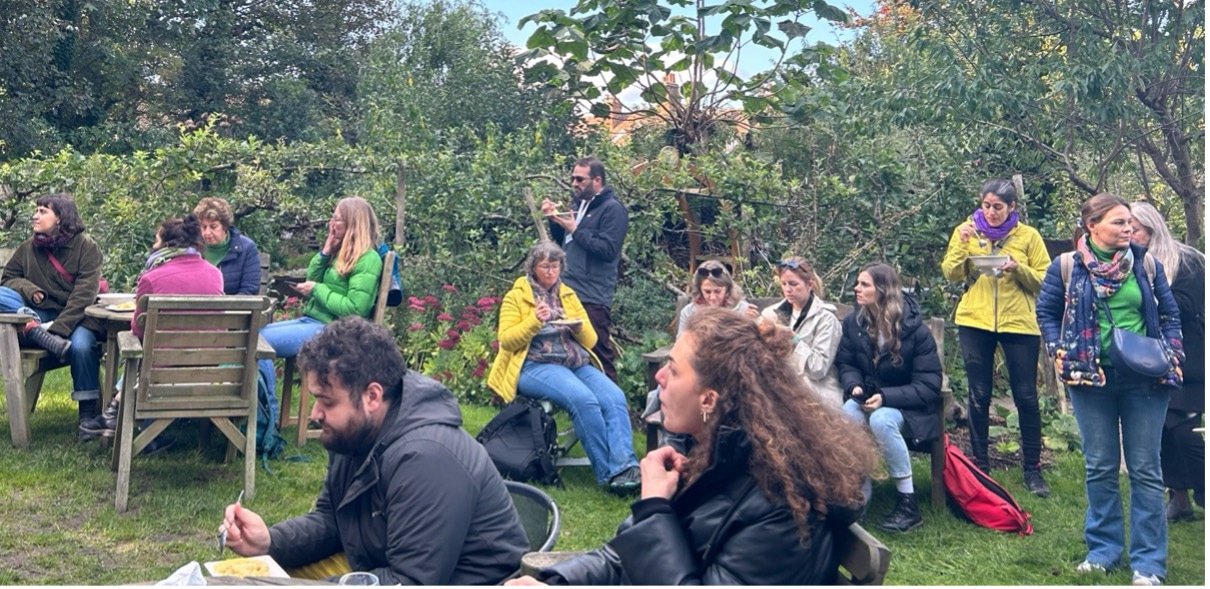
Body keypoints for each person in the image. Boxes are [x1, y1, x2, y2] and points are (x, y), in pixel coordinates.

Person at [505, 307, 875, 586]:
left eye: (674, 370)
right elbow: (626, 555)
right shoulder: (714, 456)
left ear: (709, 400)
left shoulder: (781, 504)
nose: (660, 378)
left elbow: (653, 546)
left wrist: (653, 508)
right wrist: (555, 582)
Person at [220, 317, 528, 585]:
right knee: (247, 576)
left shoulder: (427, 459)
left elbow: (410, 582)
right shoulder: (355, 433)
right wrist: (271, 540)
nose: (315, 413)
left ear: (372, 396)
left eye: (327, 401)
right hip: (377, 565)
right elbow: (332, 521)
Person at [1036, 193, 1183, 586]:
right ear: (1092, 226)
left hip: (1145, 381)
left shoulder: (1145, 264)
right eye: (1119, 222)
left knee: (1146, 470)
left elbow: (1169, 314)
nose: (1129, 228)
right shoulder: (1066, 266)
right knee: (1100, 467)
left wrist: (1173, 355)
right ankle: (1103, 551)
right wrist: (1058, 350)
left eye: (1130, 222)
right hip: (1089, 379)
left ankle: (1148, 564)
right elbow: (1046, 312)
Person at [487, 241, 641, 494]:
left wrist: (579, 328)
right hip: (535, 364)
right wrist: (535, 321)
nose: (550, 272)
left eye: (555, 266)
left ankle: (627, 467)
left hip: (574, 362)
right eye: (545, 266)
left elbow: (591, 341)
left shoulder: (567, 294)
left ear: (561, 267)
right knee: (584, 400)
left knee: (614, 397)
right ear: (533, 267)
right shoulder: (517, 296)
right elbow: (507, 339)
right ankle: (609, 474)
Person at [940, 179, 1051, 497]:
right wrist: (962, 244)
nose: (990, 212)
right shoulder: (967, 230)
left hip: (1019, 323)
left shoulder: (1028, 236)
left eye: (998, 207)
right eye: (986, 205)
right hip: (974, 320)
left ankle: (1032, 469)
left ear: (1012, 207)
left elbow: (1045, 280)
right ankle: (980, 465)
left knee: (1026, 397)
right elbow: (951, 273)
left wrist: (1018, 269)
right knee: (978, 395)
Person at [78, 215, 225, 444]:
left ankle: (114, 413)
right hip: (208, 371)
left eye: (156, 241)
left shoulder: (152, 278)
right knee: (158, 352)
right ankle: (126, 422)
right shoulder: (215, 274)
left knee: (136, 348)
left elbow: (137, 329)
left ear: (167, 245)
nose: (153, 246)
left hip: (157, 375)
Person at [835, 263, 942, 533]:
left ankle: (909, 504)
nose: (857, 289)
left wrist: (886, 397)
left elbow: (930, 384)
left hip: (912, 408)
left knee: (882, 420)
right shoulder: (854, 322)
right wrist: (854, 386)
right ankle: (855, 496)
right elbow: (846, 363)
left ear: (883, 290)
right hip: (870, 397)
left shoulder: (915, 330)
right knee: (848, 412)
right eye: (858, 283)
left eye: (864, 285)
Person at [257, 197, 383, 418]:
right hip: (314, 322)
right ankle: (255, 415)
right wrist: (325, 253)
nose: (330, 224)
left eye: (336, 219)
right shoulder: (341, 252)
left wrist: (317, 289)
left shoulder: (368, 259)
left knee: (259, 344)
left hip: (336, 332)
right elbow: (312, 279)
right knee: (252, 336)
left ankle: (267, 420)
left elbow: (354, 308)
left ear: (354, 224)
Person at [0, 193, 104, 435]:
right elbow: (8, 279)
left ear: (60, 218)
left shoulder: (87, 247)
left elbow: (84, 295)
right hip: (37, 313)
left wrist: (57, 330)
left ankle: (87, 418)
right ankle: (32, 326)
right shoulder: (28, 247)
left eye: (43, 211)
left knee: (80, 347)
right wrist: (31, 289)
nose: (35, 215)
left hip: (76, 317)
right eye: (36, 210)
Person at [1130, 201, 1205, 522]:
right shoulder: (1125, 261)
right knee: (1159, 429)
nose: (1128, 234)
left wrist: (1145, 299)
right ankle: (1179, 498)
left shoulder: (1186, 260)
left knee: (1185, 429)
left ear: (1151, 228)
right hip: (1147, 356)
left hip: (1187, 356)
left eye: (1134, 228)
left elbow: (1186, 306)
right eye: (1124, 228)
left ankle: (1203, 490)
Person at [540, 156, 628, 382]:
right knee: (572, 350)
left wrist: (576, 229)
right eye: (572, 178)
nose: (574, 184)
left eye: (580, 179)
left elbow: (608, 250)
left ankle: (615, 406)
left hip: (593, 294)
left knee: (598, 352)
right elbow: (566, 242)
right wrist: (554, 221)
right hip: (569, 289)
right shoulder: (578, 205)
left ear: (597, 180)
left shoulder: (613, 209)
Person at [759, 256, 843, 407]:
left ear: (809, 284)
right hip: (778, 389)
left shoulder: (826, 319)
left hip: (816, 393)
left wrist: (794, 340)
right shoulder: (770, 313)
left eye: (793, 284)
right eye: (784, 284)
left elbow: (818, 369)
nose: (788, 289)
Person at [193, 197, 262, 295]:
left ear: (225, 225)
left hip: (234, 309)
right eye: (203, 227)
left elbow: (250, 289)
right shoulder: (193, 248)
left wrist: (226, 307)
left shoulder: (247, 248)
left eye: (213, 226)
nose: (207, 232)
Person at [675, 260, 760, 339]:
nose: (713, 297)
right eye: (707, 292)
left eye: (718, 291)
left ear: (728, 289)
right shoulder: (689, 312)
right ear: (699, 290)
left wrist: (749, 323)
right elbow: (681, 345)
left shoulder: (742, 309)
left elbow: (753, 345)